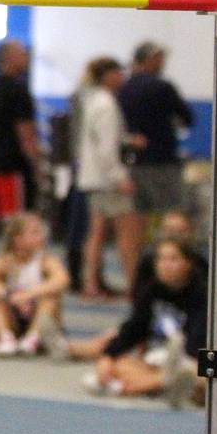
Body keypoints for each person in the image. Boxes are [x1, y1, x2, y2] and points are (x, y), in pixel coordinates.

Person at [85, 237, 206, 406]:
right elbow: (134, 328)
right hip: (154, 362)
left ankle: (145, 386)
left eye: (173, 259)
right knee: (119, 363)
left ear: (188, 263)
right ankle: (166, 385)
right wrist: (107, 356)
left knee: (201, 376)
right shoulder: (151, 290)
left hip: (187, 359)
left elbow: (197, 343)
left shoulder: (202, 294)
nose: (166, 265)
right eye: (162, 259)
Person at [77, 56, 143, 297]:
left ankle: (90, 284)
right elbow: (106, 148)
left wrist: (127, 140)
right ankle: (133, 286)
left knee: (96, 233)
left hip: (95, 178)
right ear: (107, 76)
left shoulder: (94, 100)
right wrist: (120, 178)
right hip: (107, 180)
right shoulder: (106, 105)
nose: (122, 77)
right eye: (118, 73)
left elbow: (103, 140)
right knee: (126, 233)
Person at [0, 40, 39, 266]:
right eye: (22, 53)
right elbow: (25, 132)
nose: (27, 57)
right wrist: (35, 162)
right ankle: (17, 266)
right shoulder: (18, 90)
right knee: (16, 219)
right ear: (9, 58)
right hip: (13, 164)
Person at [117, 42, 194, 219]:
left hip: (133, 162)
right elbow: (187, 118)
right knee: (170, 211)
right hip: (162, 161)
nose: (162, 64)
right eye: (159, 59)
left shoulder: (123, 88)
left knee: (139, 216)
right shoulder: (162, 87)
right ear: (148, 60)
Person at [0, 212, 69, 357]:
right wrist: (10, 295)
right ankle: (5, 337)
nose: (41, 236)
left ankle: (33, 338)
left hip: (36, 315)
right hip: (14, 318)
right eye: (34, 232)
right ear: (18, 239)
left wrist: (28, 295)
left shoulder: (45, 260)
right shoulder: (6, 261)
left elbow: (61, 279)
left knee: (51, 298)